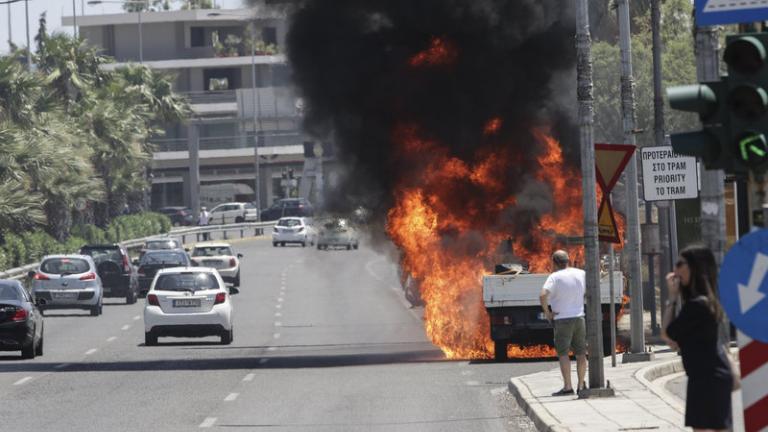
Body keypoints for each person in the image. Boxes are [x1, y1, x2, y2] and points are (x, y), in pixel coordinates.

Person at [662, 245, 733, 432]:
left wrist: (672, 297)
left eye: (679, 264)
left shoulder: (697, 305)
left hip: (708, 378)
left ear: (693, 267)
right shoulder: (701, 302)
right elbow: (671, 338)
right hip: (705, 377)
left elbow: (667, 332)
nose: (675, 270)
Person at [539, 250, 587, 396]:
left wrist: (547, 313)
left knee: (563, 354)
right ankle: (580, 386)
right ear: (568, 260)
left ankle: (567, 387)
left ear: (553, 262)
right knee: (581, 353)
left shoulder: (554, 277)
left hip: (562, 319)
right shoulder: (581, 273)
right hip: (579, 318)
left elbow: (542, 295)